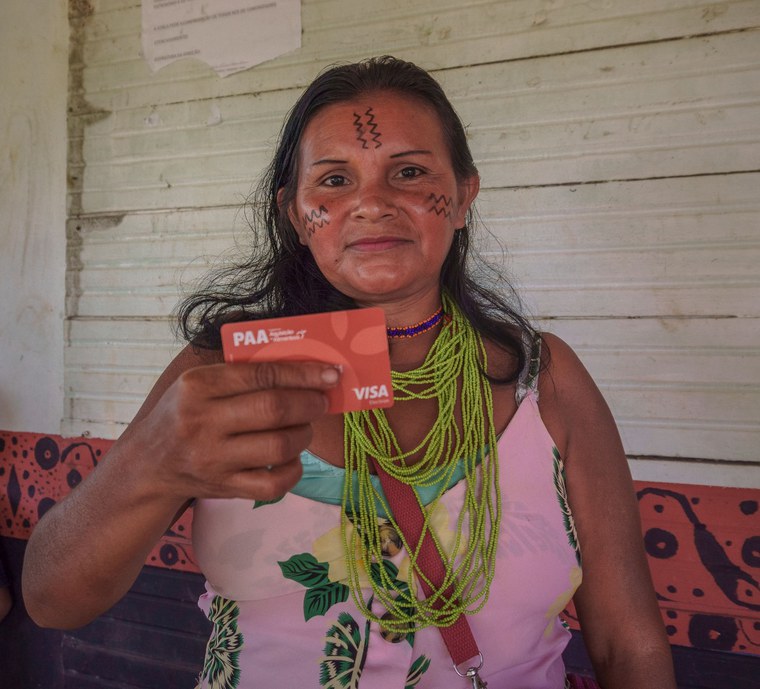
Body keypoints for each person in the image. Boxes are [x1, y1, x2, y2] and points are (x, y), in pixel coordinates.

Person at [22, 56, 676, 688]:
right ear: (293, 212)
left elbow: (629, 640)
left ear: (464, 195)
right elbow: (52, 599)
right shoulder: (220, 374)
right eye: (334, 180)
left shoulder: (544, 378)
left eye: (409, 171)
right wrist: (149, 463)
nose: (371, 202)